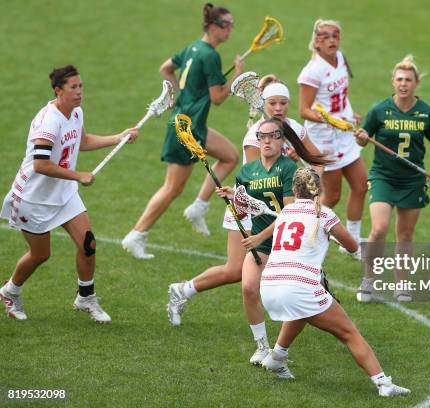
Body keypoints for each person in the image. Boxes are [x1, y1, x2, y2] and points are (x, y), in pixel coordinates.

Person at [166, 77, 324, 328]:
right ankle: (182, 291)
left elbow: (317, 163)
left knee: (273, 266)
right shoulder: (256, 136)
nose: (278, 108)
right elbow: (259, 181)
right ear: (265, 104)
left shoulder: (294, 130)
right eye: (272, 103)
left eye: (283, 103)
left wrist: (303, 166)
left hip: (278, 207)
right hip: (249, 207)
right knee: (236, 270)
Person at [0, 65, 139, 323]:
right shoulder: (48, 121)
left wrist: (117, 137)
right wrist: (78, 175)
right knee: (41, 255)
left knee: (88, 244)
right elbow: (41, 165)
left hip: (63, 194)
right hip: (34, 198)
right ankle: (10, 291)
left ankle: (85, 297)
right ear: (58, 91)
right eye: (73, 87)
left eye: (81, 86)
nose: (79, 92)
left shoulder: (75, 112)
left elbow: (82, 141)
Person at [257, 167, 410, 397]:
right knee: (349, 333)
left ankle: (277, 357)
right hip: (299, 285)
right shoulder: (325, 214)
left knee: (303, 312)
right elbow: (352, 247)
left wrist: (325, 235)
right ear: (319, 189)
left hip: (269, 284)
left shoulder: (286, 212)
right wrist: (331, 234)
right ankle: (384, 384)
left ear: (293, 189)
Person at [121, 3, 242, 259]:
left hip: (192, 124)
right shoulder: (209, 55)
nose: (230, 29)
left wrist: (179, 95)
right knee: (172, 188)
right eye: (225, 25)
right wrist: (237, 77)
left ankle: (199, 207)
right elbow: (218, 97)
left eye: (231, 24)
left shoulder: (193, 47)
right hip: (186, 130)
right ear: (211, 26)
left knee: (230, 155)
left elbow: (166, 68)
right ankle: (137, 234)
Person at [354, 55, 430, 303]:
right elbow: (362, 137)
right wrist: (361, 138)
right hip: (383, 177)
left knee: (405, 234)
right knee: (379, 228)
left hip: (413, 180)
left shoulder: (426, 113)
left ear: (416, 83)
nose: (403, 84)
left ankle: (402, 283)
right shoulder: (379, 110)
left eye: (408, 79)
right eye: (399, 79)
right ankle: (369, 279)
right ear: (393, 82)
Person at [298, 19, 368, 259]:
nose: (331, 40)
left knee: (360, 185)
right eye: (325, 36)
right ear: (317, 41)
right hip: (325, 139)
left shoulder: (341, 58)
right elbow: (304, 110)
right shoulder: (312, 71)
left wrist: (349, 113)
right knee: (333, 195)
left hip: (344, 134)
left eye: (335, 36)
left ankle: (353, 240)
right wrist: (330, 120)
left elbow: (341, 95)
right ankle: (307, 231)